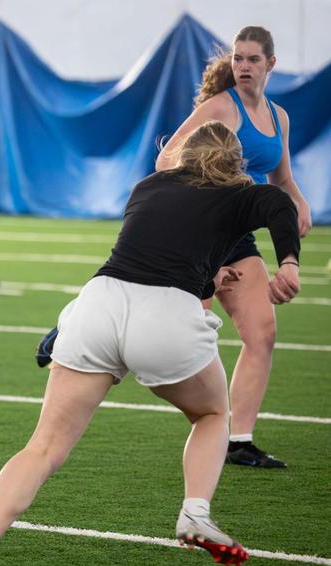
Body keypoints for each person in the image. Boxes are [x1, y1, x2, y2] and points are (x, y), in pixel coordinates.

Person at [0, 121, 301, 566]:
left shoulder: (148, 187)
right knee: (213, 413)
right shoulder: (238, 194)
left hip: (99, 305)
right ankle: (195, 512)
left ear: (182, 156)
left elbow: (151, 258)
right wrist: (289, 262)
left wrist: (210, 279)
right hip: (165, 316)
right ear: (236, 166)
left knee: (42, 449)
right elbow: (279, 203)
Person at [154, 26, 310, 468]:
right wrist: (210, 181)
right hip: (198, 233)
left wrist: (297, 202)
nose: (243, 66)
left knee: (262, 332)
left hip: (238, 237)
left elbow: (281, 177)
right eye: (238, 58)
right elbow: (166, 159)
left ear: (270, 64)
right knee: (176, 335)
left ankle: (236, 440)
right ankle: (74, 338)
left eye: (252, 59)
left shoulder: (278, 118)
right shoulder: (220, 107)